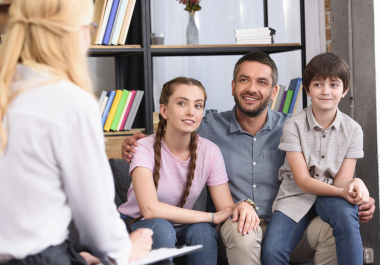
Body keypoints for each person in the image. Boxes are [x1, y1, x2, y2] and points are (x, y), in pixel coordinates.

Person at [122, 51, 376, 265]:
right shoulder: (208, 127)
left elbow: (326, 171)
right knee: (242, 232)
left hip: (289, 220)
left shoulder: (294, 127)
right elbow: (173, 132)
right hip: (236, 222)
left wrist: (355, 199)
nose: (252, 88)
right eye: (244, 80)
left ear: (274, 91)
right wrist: (135, 142)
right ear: (233, 86)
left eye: (262, 82)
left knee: (332, 231)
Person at [0, 0, 152, 264]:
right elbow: (98, 225)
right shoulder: (70, 102)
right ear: (74, 33)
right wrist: (126, 251)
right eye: (90, 28)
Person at [118, 77, 258, 265]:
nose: (191, 112)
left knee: (203, 231)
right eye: (182, 103)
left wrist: (244, 204)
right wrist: (211, 217)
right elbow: (150, 209)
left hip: (182, 226)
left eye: (198, 105)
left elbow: (225, 208)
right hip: (137, 225)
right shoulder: (142, 148)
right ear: (164, 110)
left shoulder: (210, 151)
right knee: (161, 228)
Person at [261, 52, 369, 265]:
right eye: (318, 84)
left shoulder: (353, 130)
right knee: (273, 251)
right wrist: (342, 192)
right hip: (295, 195)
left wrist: (356, 182)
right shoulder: (293, 125)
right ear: (308, 89)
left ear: (345, 89)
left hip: (332, 194)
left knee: (348, 219)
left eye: (334, 85)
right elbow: (303, 181)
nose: (326, 91)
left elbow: (342, 179)